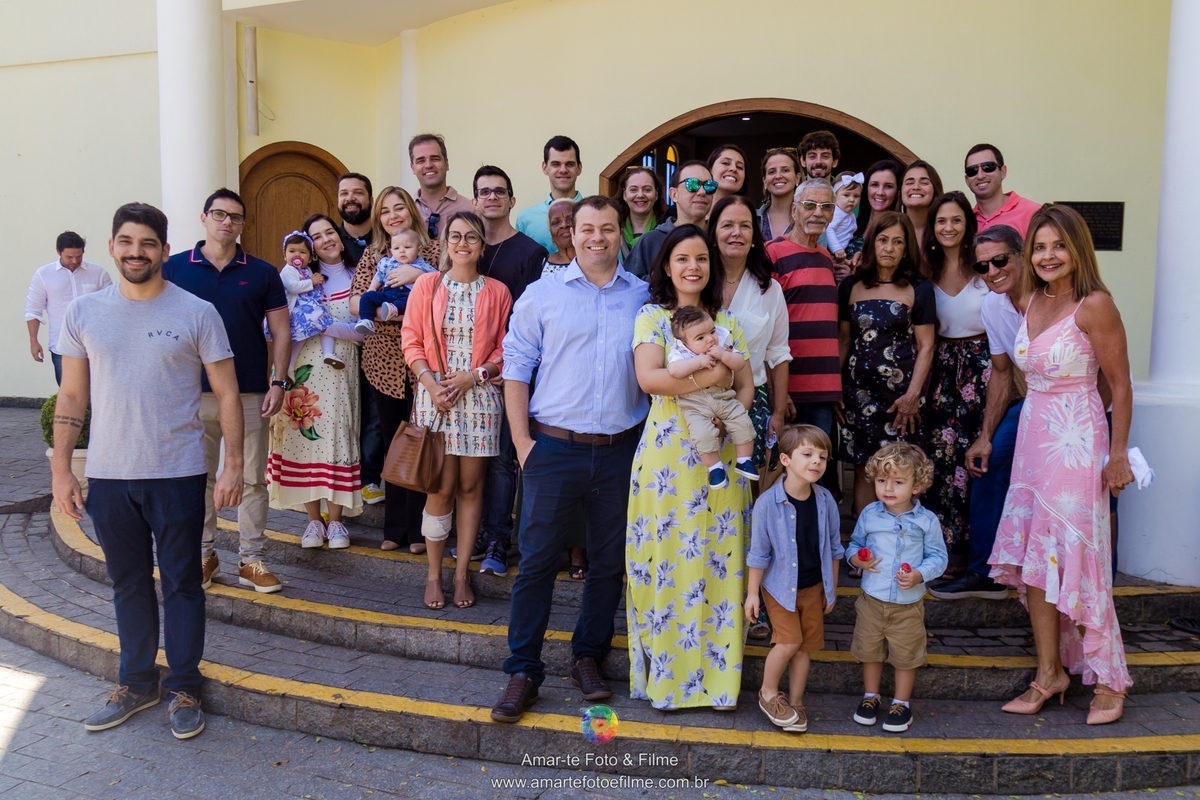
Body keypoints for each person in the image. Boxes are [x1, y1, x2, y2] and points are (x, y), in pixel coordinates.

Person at [52, 202, 242, 740]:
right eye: (127, 242)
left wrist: (232, 467)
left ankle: (183, 686)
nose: (137, 252)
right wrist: (62, 470)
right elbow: (71, 394)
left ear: (163, 249)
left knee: (183, 583)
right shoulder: (84, 313)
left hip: (178, 472)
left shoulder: (196, 311)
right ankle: (136, 683)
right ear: (112, 246)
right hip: (111, 476)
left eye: (148, 244)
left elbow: (227, 392)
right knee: (128, 583)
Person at [492, 196, 648, 724]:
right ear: (571, 233)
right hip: (552, 447)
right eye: (587, 228)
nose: (597, 238)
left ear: (619, 233)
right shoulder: (541, 295)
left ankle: (588, 657)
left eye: (607, 228)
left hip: (621, 448)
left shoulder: (644, 299)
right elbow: (516, 368)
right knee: (536, 562)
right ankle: (523, 671)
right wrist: (522, 444)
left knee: (608, 564)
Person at [989, 204, 1134, 725]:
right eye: (1040, 246)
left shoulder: (1095, 305)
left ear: (1077, 250)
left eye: (1058, 246)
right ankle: (1049, 672)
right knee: (1035, 557)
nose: (1048, 256)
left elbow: (1118, 384)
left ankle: (1108, 676)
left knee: (1081, 553)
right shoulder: (1030, 301)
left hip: (1076, 440)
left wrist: (1116, 454)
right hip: (1034, 435)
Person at [626, 223, 753, 711]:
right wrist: (713, 373)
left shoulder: (730, 322)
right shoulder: (651, 317)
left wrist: (717, 384)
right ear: (666, 266)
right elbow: (650, 380)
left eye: (701, 257)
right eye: (682, 258)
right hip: (666, 458)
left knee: (718, 563)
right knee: (669, 561)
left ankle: (718, 684)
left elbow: (745, 385)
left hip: (719, 450)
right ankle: (667, 683)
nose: (693, 266)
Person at [163, 188, 290, 595]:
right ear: (204, 218)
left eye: (235, 217)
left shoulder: (264, 272)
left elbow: (282, 330)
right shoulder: (175, 269)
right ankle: (204, 555)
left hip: (250, 391)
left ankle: (252, 559)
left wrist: (279, 380)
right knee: (196, 480)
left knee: (253, 479)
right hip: (190, 394)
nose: (227, 222)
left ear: (242, 224)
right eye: (219, 214)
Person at [402, 212, 512, 610]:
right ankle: (434, 576)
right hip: (435, 399)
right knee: (440, 488)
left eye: (470, 237)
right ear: (445, 243)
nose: (462, 243)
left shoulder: (498, 292)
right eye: (455, 236)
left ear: (482, 245)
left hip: (480, 399)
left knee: (471, 488)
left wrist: (475, 375)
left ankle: (462, 573)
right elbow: (411, 341)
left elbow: (504, 348)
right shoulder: (427, 286)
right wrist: (432, 386)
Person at [932, 224, 1027, 601]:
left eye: (1000, 261)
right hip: (1033, 401)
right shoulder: (993, 304)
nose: (992, 272)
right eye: (983, 266)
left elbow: (1110, 376)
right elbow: (1002, 373)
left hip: (1084, 406)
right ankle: (986, 571)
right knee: (986, 465)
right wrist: (986, 436)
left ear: (1022, 255)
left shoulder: (1057, 297)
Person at [268, 214, 366, 550]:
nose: (325, 239)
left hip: (339, 367)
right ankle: (313, 521)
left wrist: (323, 326)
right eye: (316, 236)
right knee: (301, 437)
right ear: (309, 247)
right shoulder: (295, 278)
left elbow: (365, 332)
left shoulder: (357, 276)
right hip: (300, 369)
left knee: (337, 437)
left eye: (330, 232)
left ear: (339, 237)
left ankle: (336, 520)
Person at [471, 165, 549, 574]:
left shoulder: (530, 253)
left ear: (512, 200)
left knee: (503, 458)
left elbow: (526, 320)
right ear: (475, 200)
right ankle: (476, 533)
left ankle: (499, 541)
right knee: (471, 459)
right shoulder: (466, 245)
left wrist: (504, 363)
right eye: (484, 192)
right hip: (464, 373)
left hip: (506, 371)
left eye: (499, 191)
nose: (492, 197)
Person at [745, 424, 843, 733]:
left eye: (823, 457)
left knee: (805, 647)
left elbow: (834, 549)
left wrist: (832, 589)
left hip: (813, 586)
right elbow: (758, 554)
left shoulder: (826, 501)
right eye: (808, 454)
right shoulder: (767, 504)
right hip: (779, 588)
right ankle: (768, 693)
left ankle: (796, 702)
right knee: (788, 641)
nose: (817, 462)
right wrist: (751, 595)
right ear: (786, 459)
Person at [838, 211, 937, 514]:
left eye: (898, 242)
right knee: (865, 468)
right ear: (871, 244)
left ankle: (901, 548)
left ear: (907, 248)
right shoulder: (851, 286)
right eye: (882, 240)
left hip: (899, 401)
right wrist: (835, 391)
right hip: (857, 397)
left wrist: (912, 397)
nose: (889, 248)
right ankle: (866, 547)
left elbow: (926, 345)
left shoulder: (918, 288)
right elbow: (843, 341)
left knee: (900, 470)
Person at [350, 186, 432, 548]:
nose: (393, 215)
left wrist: (417, 277)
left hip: (425, 362)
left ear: (411, 211)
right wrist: (380, 310)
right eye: (385, 211)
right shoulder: (374, 255)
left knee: (423, 441)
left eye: (399, 208)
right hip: (383, 361)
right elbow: (356, 301)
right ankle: (394, 529)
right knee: (393, 441)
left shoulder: (434, 250)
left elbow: (446, 290)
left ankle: (419, 530)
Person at [846, 443, 947, 734]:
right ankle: (870, 697)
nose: (888, 488)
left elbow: (939, 557)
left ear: (917, 486)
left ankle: (901, 703)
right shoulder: (869, 515)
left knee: (906, 655)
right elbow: (854, 544)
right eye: (881, 481)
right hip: (871, 598)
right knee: (870, 650)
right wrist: (857, 559)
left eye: (898, 482)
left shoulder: (926, 521)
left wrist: (919, 575)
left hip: (907, 604)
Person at [920, 193, 987, 566]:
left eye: (956, 220)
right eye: (941, 221)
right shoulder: (925, 273)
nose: (948, 228)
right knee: (944, 462)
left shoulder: (985, 267)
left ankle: (981, 553)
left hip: (984, 371)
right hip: (943, 372)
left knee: (980, 459)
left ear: (968, 225)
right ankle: (946, 551)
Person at [711, 195, 791, 469]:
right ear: (714, 233)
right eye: (727, 225)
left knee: (742, 488)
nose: (736, 233)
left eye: (745, 226)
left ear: (755, 236)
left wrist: (778, 413)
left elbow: (778, 354)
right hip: (698, 401)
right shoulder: (697, 280)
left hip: (751, 402)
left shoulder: (769, 290)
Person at [765, 180, 842, 456]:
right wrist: (777, 392)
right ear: (795, 209)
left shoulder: (826, 258)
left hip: (823, 390)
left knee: (814, 470)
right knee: (783, 472)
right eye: (810, 205)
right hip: (789, 389)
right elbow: (766, 327)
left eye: (827, 207)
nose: (818, 213)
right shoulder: (772, 252)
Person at [666, 304, 756, 486]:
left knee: (742, 421)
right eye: (700, 338)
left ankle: (744, 460)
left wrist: (724, 356)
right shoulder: (681, 353)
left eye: (712, 331)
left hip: (724, 398)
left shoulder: (723, 343)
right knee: (702, 434)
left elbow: (739, 364)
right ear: (685, 343)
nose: (710, 340)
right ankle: (715, 469)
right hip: (695, 405)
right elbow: (674, 371)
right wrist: (698, 362)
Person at [24, 231, 112, 385]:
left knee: (99, 391)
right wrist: (34, 341)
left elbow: (111, 307)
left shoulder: (98, 273)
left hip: (95, 345)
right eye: (69, 257)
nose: (74, 260)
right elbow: (33, 310)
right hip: (61, 346)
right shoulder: (43, 275)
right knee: (68, 392)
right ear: (58, 252)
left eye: (78, 256)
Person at [623, 161, 715, 279]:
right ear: (673, 194)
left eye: (709, 185)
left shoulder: (719, 241)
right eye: (692, 184)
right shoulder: (650, 241)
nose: (702, 192)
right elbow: (627, 289)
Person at [275, 231, 341, 372]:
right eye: (292, 251)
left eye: (302, 252)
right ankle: (289, 366)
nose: (297, 255)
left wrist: (316, 279)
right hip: (297, 311)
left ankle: (328, 353)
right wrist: (311, 281)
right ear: (284, 255)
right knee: (299, 338)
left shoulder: (307, 270)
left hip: (310, 308)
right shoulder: (288, 270)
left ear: (310, 258)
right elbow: (293, 287)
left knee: (327, 322)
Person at [353, 228, 435, 335]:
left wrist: (419, 274)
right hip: (387, 294)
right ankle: (367, 320)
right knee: (367, 297)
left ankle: (393, 309)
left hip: (407, 294)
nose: (402, 251)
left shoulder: (423, 266)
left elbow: (435, 278)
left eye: (407, 247)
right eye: (396, 248)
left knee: (408, 303)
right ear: (391, 251)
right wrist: (372, 288)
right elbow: (379, 276)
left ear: (419, 250)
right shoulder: (387, 263)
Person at [516, 136, 584, 253]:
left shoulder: (596, 214)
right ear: (545, 167)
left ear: (579, 168)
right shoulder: (526, 219)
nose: (563, 170)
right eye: (556, 164)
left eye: (569, 164)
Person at [409, 134, 475, 246]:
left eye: (435, 159)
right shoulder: (406, 211)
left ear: (447, 164)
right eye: (421, 161)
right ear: (413, 168)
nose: (428, 165)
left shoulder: (471, 210)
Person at [965, 143, 1041, 236]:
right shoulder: (966, 222)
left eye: (988, 167)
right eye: (972, 170)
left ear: (1003, 172)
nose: (980, 176)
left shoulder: (1033, 213)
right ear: (967, 180)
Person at [846, 159, 904, 264]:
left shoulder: (900, 231)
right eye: (875, 185)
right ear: (866, 188)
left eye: (888, 186)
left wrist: (852, 272)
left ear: (897, 192)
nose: (880, 192)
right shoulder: (853, 223)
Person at [615, 166, 665, 264]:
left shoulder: (666, 230)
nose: (640, 195)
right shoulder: (613, 228)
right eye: (633, 190)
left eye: (647, 189)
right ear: (625, 195)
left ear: (656, 194)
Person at [899, 161, 944, 252]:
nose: (916, 187)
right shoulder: (888, 230)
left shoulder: (946, 231)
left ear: (935, 190)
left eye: (924, 183)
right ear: (900, 192)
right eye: (909, 182)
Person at [758, 148, 801, 241]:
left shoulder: (810, 218)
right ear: (764, 181)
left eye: (785, 170)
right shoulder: (752, 218)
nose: (778, 176)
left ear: (797, 178)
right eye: (772, 172)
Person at [336, 172, 374, 268]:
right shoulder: (331, 241)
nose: (350, 198)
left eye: (358, 192)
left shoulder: (387, 237)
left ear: (371, 201)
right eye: (344, 193)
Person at [535, 198, 576, 277]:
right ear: (550, 233)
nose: (564, 225)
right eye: (556, 222)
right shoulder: (539, 264)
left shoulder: (596, 261)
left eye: (570, 219)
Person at [826, 172, 862, 261]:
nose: (852, 200)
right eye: (846, 195)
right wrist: (836, 248)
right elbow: (829, 229)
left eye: (856, 196)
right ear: (835, 196)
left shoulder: (850, 214)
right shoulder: (836, 212)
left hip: (842, 251)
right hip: (832, 250)